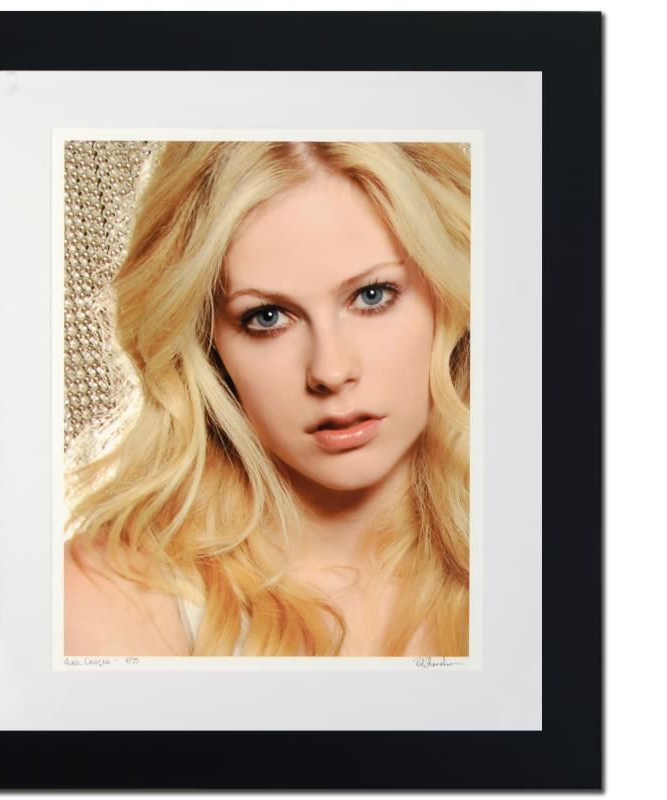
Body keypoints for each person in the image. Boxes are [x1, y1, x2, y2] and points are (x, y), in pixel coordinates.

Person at [64, 141, 470, 657]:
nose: (330, 371)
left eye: (372, 295)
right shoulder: (111, 598)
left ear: (449, 295)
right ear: (208, 344)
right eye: (267, 317)